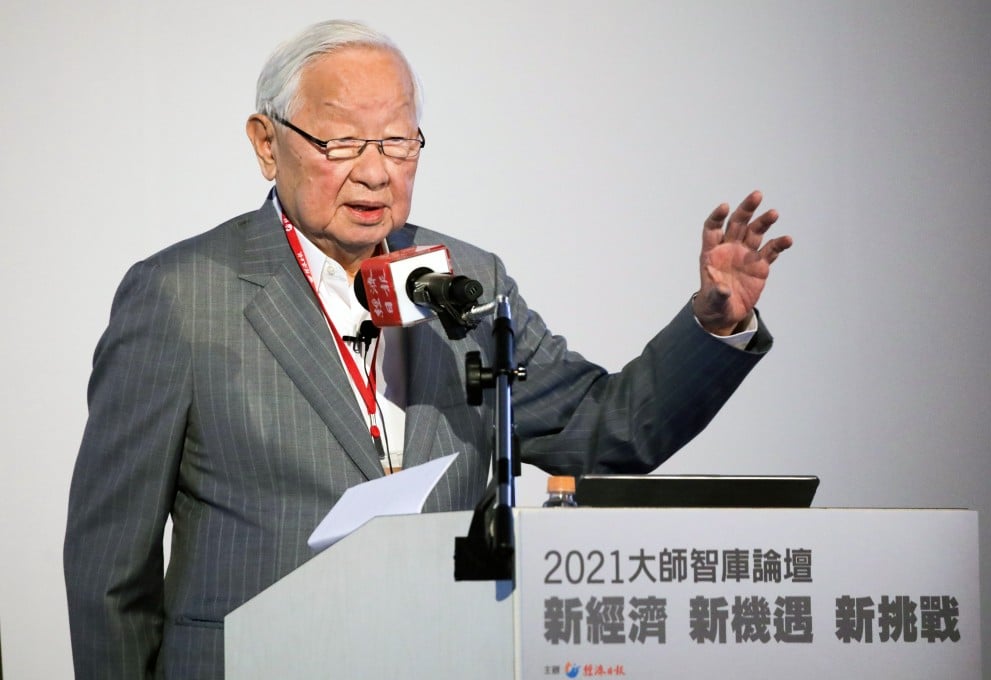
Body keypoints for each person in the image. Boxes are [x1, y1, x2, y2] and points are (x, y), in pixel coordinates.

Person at [63, 19, 792, 679]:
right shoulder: (183, 296)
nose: (376, 171)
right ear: (265, 142)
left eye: (398, 142)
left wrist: (714, 321)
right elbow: (109, 571)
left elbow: (606, 430)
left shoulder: (467, 282)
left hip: (438, 656)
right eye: (342, 143)